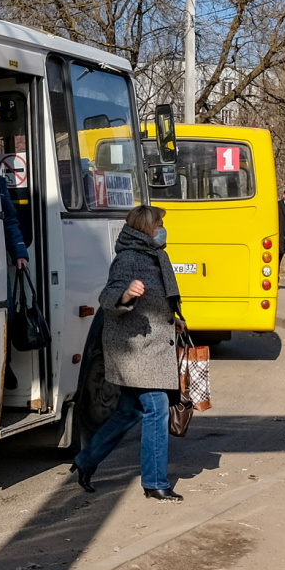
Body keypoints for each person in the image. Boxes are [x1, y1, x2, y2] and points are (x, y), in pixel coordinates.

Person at [70, 204, 185, 501]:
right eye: (158, 223)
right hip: (135, 349)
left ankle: (85, 461)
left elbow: (163, 300)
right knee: (157, 409)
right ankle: (155, 482)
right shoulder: (128, 259)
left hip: (154, 347)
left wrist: (177, 320)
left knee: (129, 411)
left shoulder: (157, 255)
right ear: (146, 227)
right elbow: (107, 297)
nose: (162, 228)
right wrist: (125, 294)